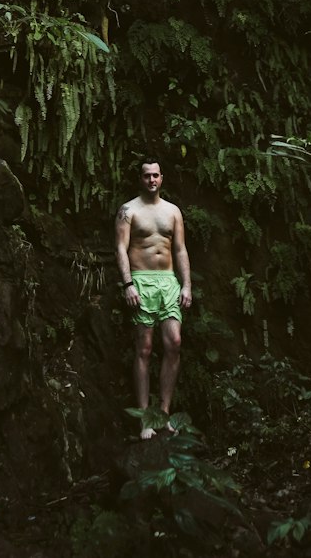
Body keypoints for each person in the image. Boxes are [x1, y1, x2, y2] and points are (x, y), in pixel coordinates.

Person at [115, 157, 193, 439]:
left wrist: (186, 286)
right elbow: (121, 249)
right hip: (142, 281)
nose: (151, 180)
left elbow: (181, 250)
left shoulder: (173, 212)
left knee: (174, 343)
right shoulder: (128, 210)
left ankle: (164, 414)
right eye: (147, 175)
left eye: (156, 175)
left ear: (162, 178)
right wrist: (128, 285)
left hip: (168, 282)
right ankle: (145, 419)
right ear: (141, 178)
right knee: (144, 349)